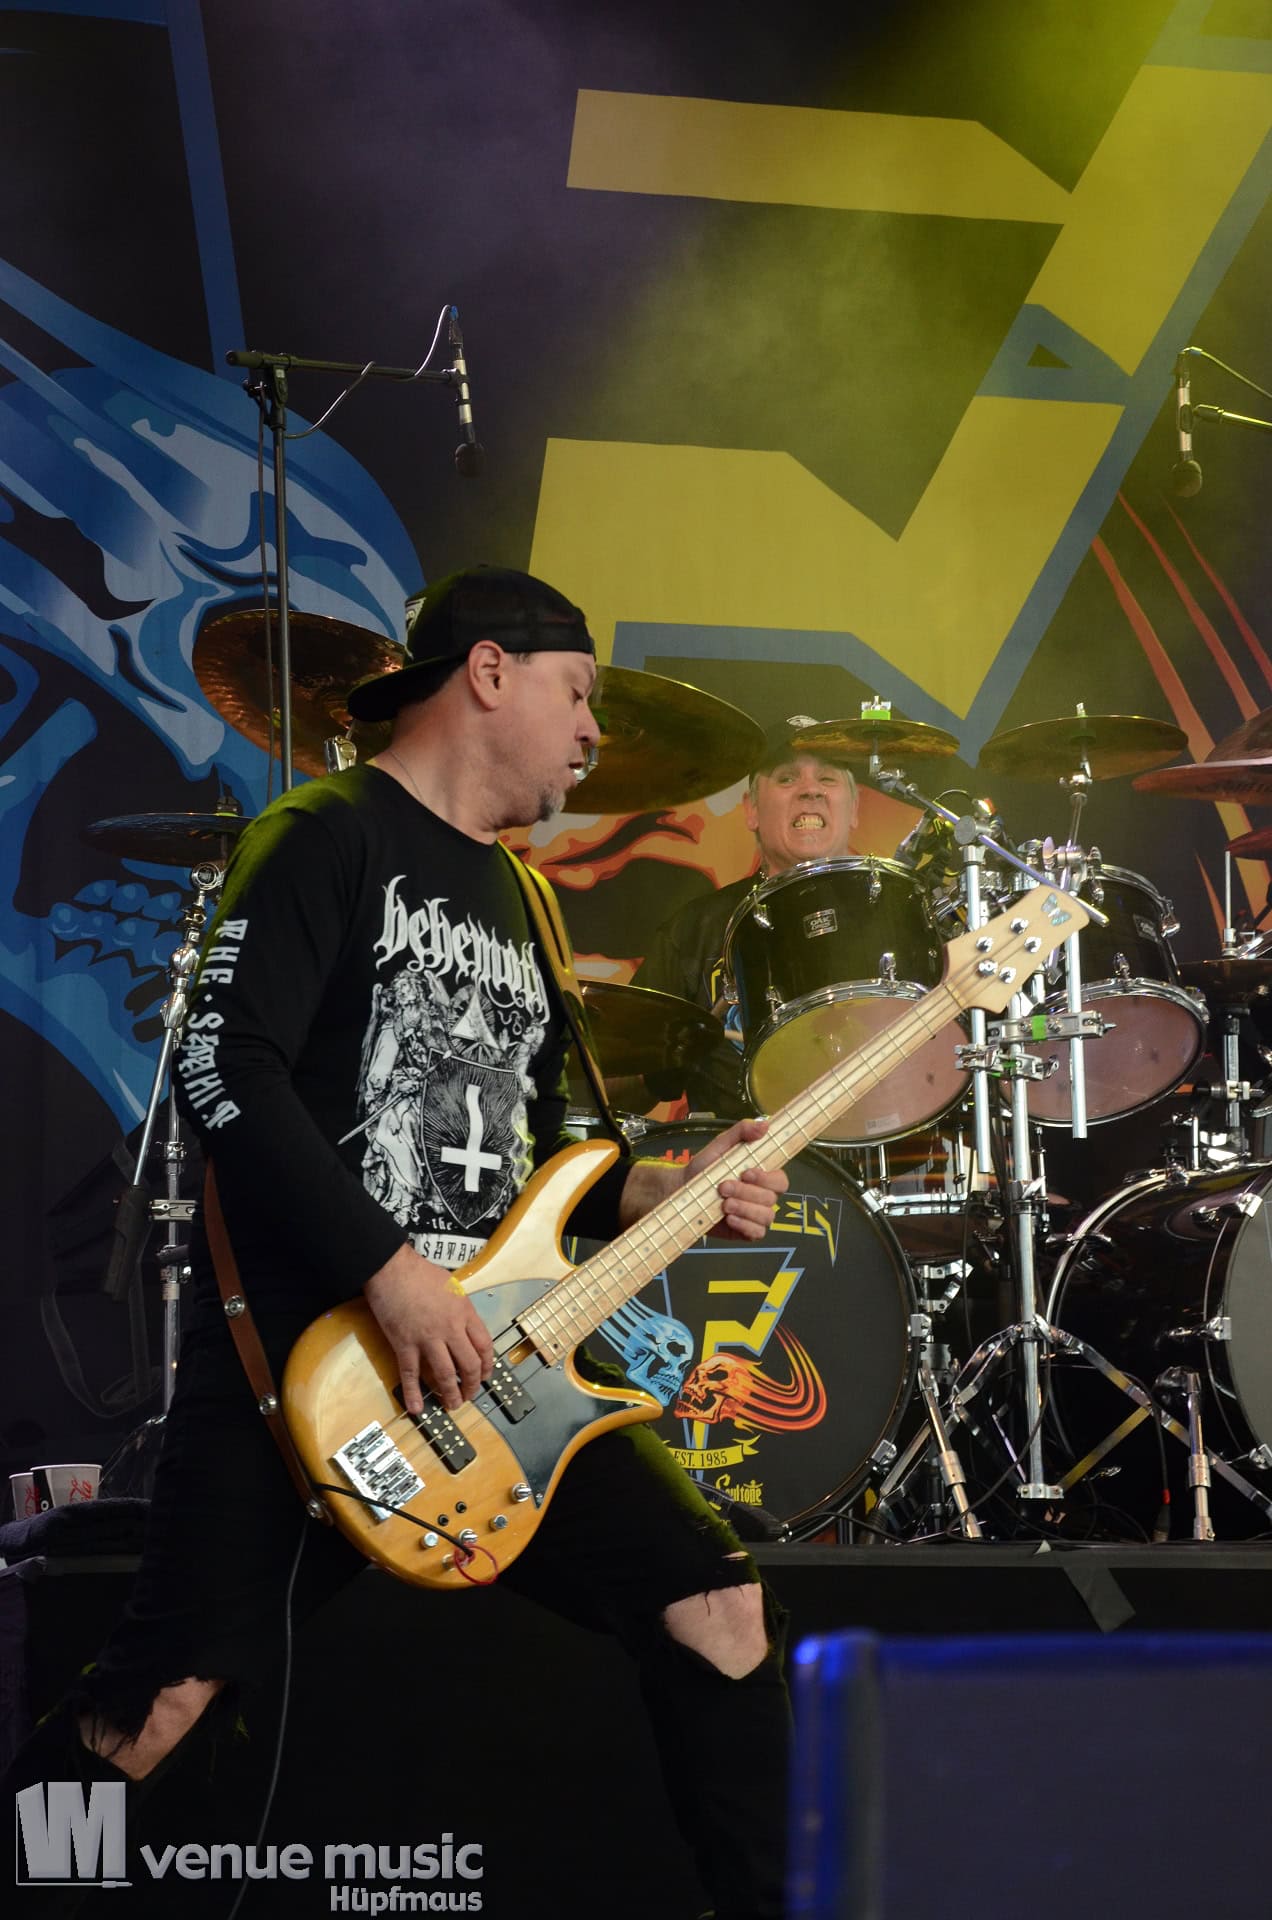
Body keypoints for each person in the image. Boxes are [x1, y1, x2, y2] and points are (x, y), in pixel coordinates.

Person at [11, 567, 792, 1920]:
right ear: (488, 673)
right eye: (577, 693)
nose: (593, 732)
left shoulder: (524, 898)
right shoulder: (324, 835)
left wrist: (666, 1186)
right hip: (311, 1360)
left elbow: (541, 1160)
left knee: (716, 1609)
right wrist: (388, 1270)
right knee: (163, 1701)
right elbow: (222, 1068)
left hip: (493, 1375)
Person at [631, 716, 860, 1114]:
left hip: (880, 1147)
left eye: (827, 778)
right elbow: (618, 1085)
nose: (810, 790)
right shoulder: (695, 931)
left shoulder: (906, 917)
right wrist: (675, 1053)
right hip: (739, 1150)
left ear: (854, 809)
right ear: (751, 810)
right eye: (787, 778)